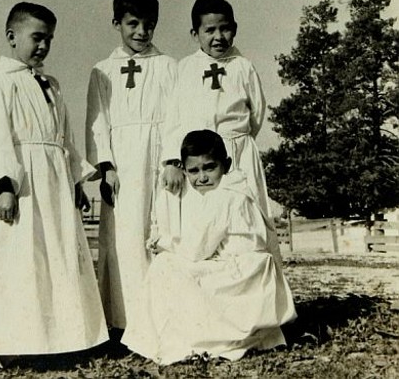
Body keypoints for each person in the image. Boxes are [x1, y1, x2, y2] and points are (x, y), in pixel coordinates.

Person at [0, 2, 107, 359]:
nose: (44, 46)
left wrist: (76, 182)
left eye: (49, 39)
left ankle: (65, 340)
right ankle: (12, 344)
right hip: (24, 187)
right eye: (36, 37)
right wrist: (5, 188)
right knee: (24, 260)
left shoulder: (53, 85)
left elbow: (64, 138)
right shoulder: (1, 87)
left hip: (55, 183)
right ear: (12, 37)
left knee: (59, 256)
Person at [123, 130, 296, 364]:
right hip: (243, 270)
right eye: (194, 171)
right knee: (172, 267)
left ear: (226, 165)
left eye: (209, 168)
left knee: (165, 265)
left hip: (242, 274)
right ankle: (183, 334)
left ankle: (183, 338)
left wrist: (163, 243)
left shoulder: (226, 196)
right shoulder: (235, 188)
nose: (202, 178)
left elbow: (197, 250)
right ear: (184, 171)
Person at [85, 0, 178, 330]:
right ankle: (125, 321)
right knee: (124, 239)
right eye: (133, 24)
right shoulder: (102, 70)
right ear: (117, 24)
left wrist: (173, 160)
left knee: (161, 232)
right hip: (122, 166)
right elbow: (97, 122)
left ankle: (163, 319)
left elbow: (177, 115)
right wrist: (106, 167)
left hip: (159, 159)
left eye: (148, 25)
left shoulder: (168, 66)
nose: (141, 32)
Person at [162, 0, 271, 214]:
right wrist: (173, 162)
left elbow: (256, 113)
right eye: (210, 30)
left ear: (235, 29)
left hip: (236, 153)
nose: (218, 37)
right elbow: (173, 118)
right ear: (195, 34)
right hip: (198, 157)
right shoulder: (185, 68)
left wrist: (236, 140)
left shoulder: (243, 67)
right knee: (202, 215)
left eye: (225, 29)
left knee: (240, 211)